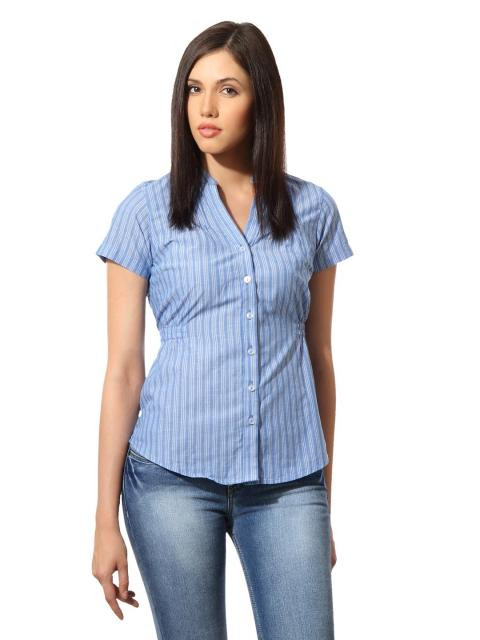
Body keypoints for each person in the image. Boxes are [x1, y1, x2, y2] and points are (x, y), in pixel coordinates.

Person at [92, 20, 354, 640]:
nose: (205, 107)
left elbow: (319, 358)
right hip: (170, 480)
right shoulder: (146, 212)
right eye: (194, 89)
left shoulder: (313, 211)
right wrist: (104, 521)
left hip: (289, 482)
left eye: (228, 89)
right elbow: (123, 370)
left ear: (261, 99)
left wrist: (322, 501)